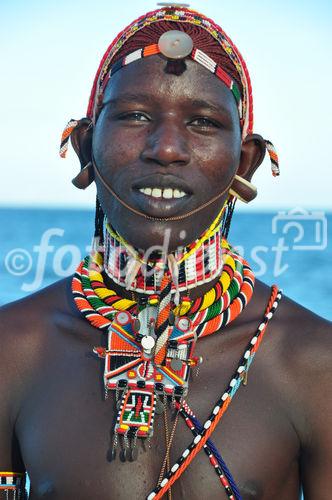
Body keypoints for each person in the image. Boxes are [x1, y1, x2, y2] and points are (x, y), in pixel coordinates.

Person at [1, 4, 331, 499]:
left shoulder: (314, 362)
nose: (167, 148)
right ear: (87, 148)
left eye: (202, 122)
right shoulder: (14, 348)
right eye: (134, 115)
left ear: (246, 162)